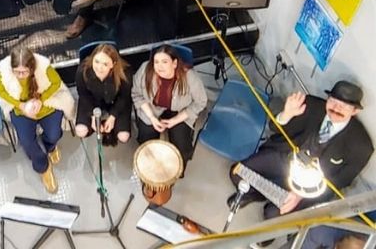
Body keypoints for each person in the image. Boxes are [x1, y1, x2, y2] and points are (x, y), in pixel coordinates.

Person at [228, 81, 374, 221]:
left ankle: (267, 196)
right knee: (237, 172)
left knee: (273, 214)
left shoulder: (361, 146)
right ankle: (255, 194)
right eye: (333, 102)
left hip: (311, 184)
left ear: (355, 111)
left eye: (344, 106)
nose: (336, 108)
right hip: (285, 158)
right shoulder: (310, 105)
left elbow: (341, 180)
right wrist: (286, 114)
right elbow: (275, 128)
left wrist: (300, 194)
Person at [0, 47, 75, 193]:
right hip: (21, 110)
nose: (20, 75)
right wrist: (20, 105)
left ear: (31, 68)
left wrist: (41, 100)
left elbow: (56, 83)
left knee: (54, 134)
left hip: (45, 106)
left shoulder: (44, 67)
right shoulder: (5, 72)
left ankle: (50, 146)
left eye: (24, 72)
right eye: (17, 72)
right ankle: (43, 167)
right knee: (27, 143)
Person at [132, 45, 207, 166]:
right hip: (152, 107)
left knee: (181, 147)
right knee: (146, 140)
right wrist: (152, 118)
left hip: (180, 111)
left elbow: (201, 101)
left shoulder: (190, 77)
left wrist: (175, 120)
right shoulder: (145, 69)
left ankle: (177, 170)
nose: (159, 66)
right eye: (156, 62)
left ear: (174, 63)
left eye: (164, 62)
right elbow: (137, 94)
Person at [75, 43, 132, 145]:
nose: (99, 67)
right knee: (81, 131)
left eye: (105, 64)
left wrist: (113, 116)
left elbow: (124, 97)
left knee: (124, 137)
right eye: (96, 61)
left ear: (113, 64)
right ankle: (95, 128)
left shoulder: (124, 72)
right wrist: (93, 116)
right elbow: (83, 95)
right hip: (92, 101)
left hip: (116, 102)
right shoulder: (82, 71)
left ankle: (113, 129)